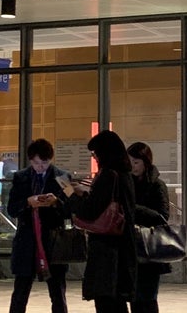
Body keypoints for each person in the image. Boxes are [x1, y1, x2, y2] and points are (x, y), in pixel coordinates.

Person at [63, 130, 137, 313]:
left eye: (95, 153)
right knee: (117, 301)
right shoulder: (124, 174)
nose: (94, 157)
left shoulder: (108, 175)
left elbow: (89, 212)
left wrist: (70, 194)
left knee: (106, 302)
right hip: (122, 245)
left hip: (107, 249)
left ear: (105, 152)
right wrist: (86, 193)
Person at [7, 138, 71, 313]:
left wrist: (56, 202)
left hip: (53, 239)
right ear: (30, 160)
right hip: (27, 239)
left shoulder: (63, 177)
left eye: (44, 162)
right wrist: (28, 202)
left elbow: (71, 210)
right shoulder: (20, 177)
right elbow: (11, 209)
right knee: (21, 290)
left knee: (57, 290)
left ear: (50, 160)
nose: (40, 167)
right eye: (36, 163)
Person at [127, 141, 171, 313]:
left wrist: (133, 207)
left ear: (146, 162)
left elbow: (162, 216)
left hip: (150, 248)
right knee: (134, 297)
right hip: (131, 247)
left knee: (148, 297)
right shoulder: (127, 183)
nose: (133, 166)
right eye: (129, 161)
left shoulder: (157, 185)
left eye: (136, 162)